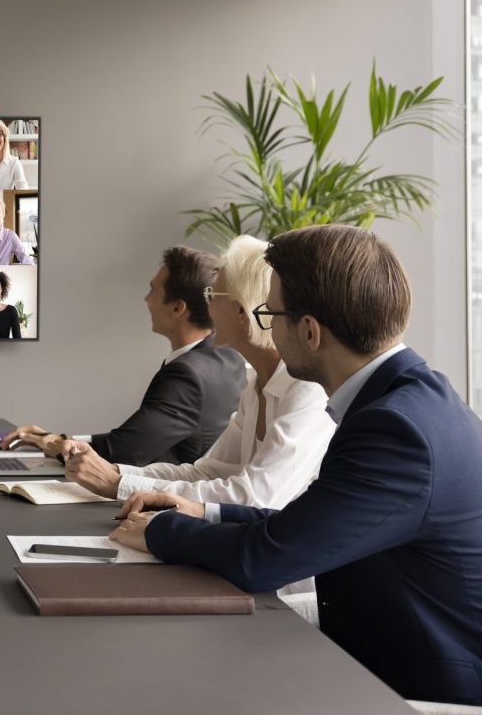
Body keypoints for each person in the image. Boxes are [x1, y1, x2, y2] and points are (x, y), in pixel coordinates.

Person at [110, 225, 482, 707]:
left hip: (419, 688)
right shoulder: (410, 398)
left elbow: (266, 559)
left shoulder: (395, 429)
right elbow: (311, 524)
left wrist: (162, 532)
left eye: (272, 313)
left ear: (309, 330)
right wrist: (202, 513)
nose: (269, 328)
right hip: (382, 647)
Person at [61, 236, 333, 509]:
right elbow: (205, 473)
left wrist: (115, 484)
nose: (207, 306)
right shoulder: (256, 387)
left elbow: (255, 498)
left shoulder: (307, 390)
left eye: (212, 295)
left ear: (243, 310)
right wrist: (117, 474)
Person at [1, 246, 245, 465]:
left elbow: (120, 453)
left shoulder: (187, 375)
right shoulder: (228, 358)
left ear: (177, 308)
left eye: (153, 290)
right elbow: (128, 441)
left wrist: (53, 444)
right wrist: (58, 438)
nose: (146, 299)